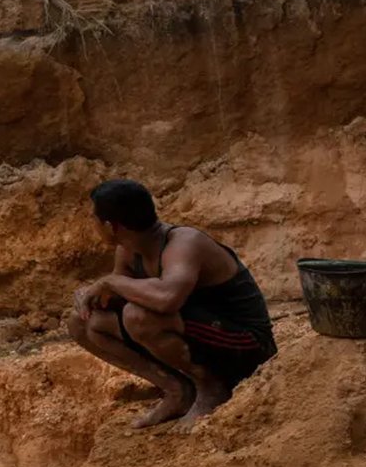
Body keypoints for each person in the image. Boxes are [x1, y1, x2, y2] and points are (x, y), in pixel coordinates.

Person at [69, 180, 277, 427]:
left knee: (138, 316)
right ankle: (177, 391)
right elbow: (120, 295)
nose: (91, 223)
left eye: (93, 218)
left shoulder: (184, 243)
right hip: (202, 338)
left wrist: (111, 282)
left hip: (247, 345)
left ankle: (211, 388)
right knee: (83, 323)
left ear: (110, 226)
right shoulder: (128, 248)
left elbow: (166, 299)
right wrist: (92, 296)